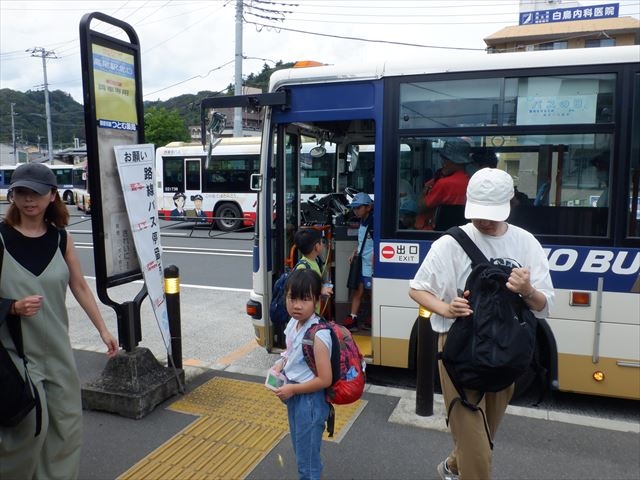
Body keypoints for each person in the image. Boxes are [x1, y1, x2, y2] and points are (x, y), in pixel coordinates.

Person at [408, 168, 554, 480]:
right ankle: (461, 468)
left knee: (483, 438)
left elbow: (544, 307)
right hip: (459, 348)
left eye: (491, 214)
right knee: (477, 447)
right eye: (478, 213)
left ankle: (451, 466)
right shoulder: (451, 243)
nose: (483, 221)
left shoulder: (526, 243)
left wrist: (528, 291)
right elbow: (417, 288)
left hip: (508, 350)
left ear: (509, 205)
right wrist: (447, 308)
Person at [0, 162, 119, 480]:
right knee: (28, 429)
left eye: (36, 193)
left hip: (57, 349)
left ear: (52, 196)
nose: (28, 200)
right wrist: (11, 307)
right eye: (21, 193)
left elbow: (79, 285)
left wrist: (103, 329)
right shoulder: (1, 238)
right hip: (15, 353)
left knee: (67, 426)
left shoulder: (61, 239)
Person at [270, 268, 332, 480]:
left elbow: (325, 380)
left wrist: (292, 389)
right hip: (295, 398)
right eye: (292, 298)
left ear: (316, 300)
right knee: (304, 453)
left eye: (304, 299)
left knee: (306, 462)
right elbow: (290, 352)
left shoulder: (319, 335)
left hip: (310, 402)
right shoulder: (294, 323)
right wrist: (279, 365)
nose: (296, 305)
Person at [415, 138, 472, 230]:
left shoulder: (443, 183)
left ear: (453, 160)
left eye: (445, 159)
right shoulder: (472, 181)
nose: (443, 162)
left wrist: (425, 189)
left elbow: (421, 207)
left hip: (436, 231)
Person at [343, 192, 373, 332]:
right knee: (358, 289)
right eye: (354, 208)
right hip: (362, 261)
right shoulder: (363, 220)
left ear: (368, 207)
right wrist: (355, 251)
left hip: (371, 263)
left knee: (372, 292)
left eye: (358, 207)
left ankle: (373, 318)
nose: (355, 211)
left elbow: (378, 242)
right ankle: (353, 317)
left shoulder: (374, 222)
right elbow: (363, 241)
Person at [293, 228, 334, 302]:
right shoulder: (303, 267)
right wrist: (320, 291)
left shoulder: (315, 261)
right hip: (306, 313)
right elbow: (301, 293)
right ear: (317, 246)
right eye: (322, 242)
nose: (323, 244)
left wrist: (322, 289)